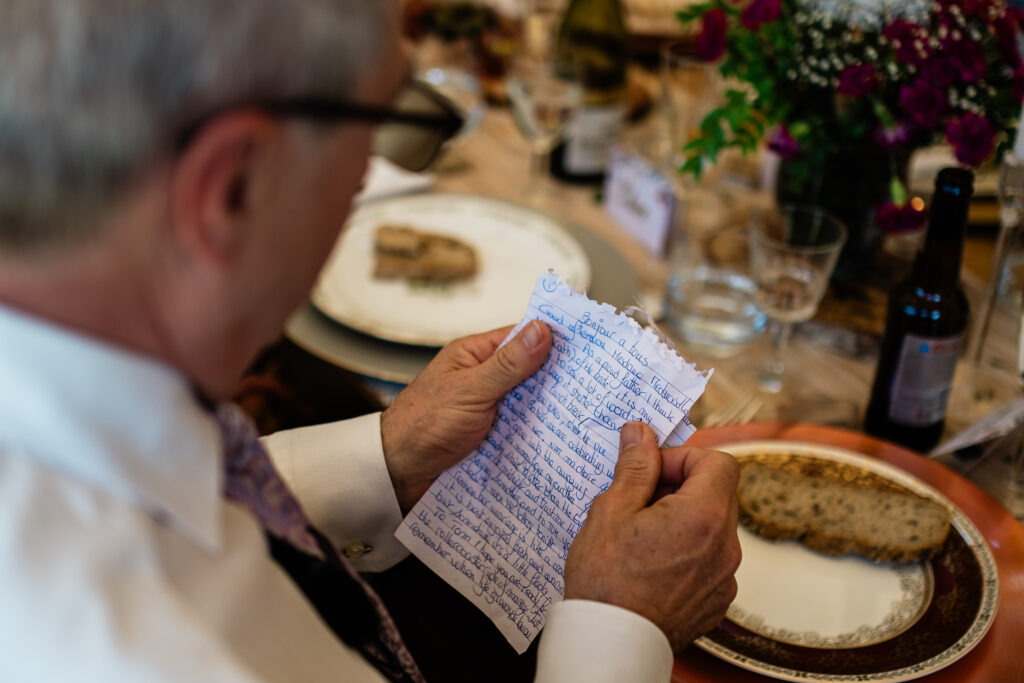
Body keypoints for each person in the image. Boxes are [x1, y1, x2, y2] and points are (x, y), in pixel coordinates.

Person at [0, 1, 741, 681]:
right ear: (231, 187)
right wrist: (620, 631)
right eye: (382, 116)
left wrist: (386, 456)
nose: (367, 175)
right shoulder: (146, 650)